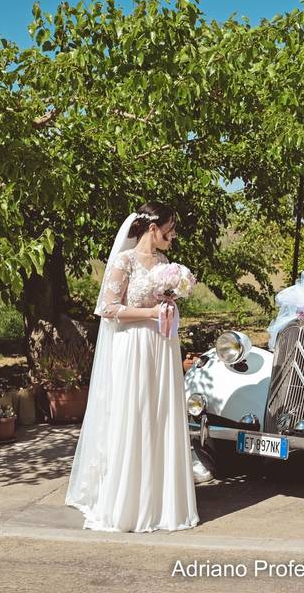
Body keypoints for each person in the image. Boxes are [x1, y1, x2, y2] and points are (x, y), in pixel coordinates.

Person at [65, 203, 201, 532]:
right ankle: (127, 502)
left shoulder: (166, 263)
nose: (173, 235)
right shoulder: (124, 261)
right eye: (169, 229)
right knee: (135, 414)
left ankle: (161, 501)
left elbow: (161, 302)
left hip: (162, 347)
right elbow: (108, 308)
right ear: (152, 228)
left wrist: (169, 304)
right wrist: (150, 314)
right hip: (134, 348)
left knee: (160, 416)